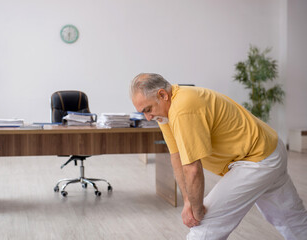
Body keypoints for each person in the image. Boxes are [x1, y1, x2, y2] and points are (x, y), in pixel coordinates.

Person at [130, 73, 307, 240]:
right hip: (270, 149)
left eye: (148, 109)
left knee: (205, 225)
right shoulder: (165, 114)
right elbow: (176, 157)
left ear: (162, 95)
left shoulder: (182, 109)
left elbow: (192, 169)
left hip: (257, 159)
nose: (147, 117)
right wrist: (187, 202)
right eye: (143, 112)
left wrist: (197, 209)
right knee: (292, 220)